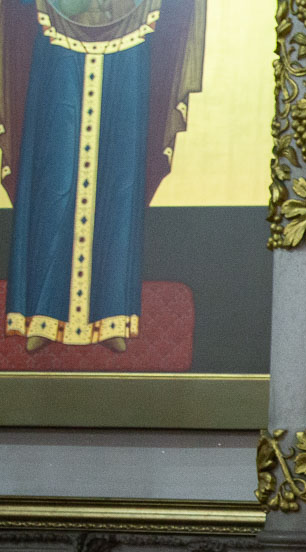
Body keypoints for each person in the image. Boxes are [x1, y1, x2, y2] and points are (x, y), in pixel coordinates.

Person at [2, 0, 206, 353]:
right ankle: (42, 315)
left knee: (120, 185)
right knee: (53, 180)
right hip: (56, 31)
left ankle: (113, 316)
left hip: (130, 32)